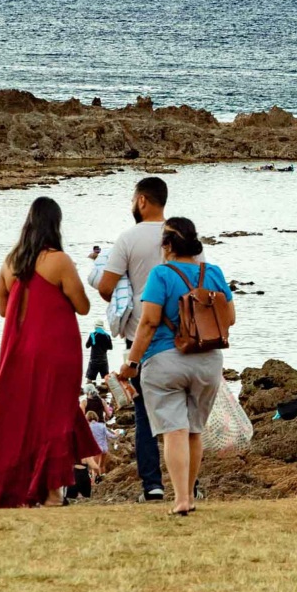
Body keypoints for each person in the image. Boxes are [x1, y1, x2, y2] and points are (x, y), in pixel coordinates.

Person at [0, 198, 99, 509]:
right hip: (56, 350)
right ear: (55, 224)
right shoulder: (59, 261)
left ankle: (20, 488)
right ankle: (52, 493)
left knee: (20, 418)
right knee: (55, 416)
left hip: (18, 351)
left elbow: (1, 309)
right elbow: (83, 306)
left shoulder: (9, 262)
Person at [118, 218, 235, 517]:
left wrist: (131, 363)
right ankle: (190, 494)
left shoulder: (161, 275)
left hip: (165, 361)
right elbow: (230, 318)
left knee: (174, 430)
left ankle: (181, 498)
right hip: (208, 360)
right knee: (194, 430)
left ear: (167, 245)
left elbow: (148, 323)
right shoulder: (215, 273)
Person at [97, 176, 191, 504]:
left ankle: (152, 485)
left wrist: (126, 287)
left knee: (145, 415)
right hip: (185, 337)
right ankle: (188, 486)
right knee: (185, 417)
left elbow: (106, 287)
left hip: (142, 336)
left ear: (141, 201)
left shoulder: (128, 238)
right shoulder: (181, 235)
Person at [86, 409, 112, 474]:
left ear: (87, 419)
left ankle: (98, 481)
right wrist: (116, 434)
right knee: (102, 466)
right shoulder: (102, 425)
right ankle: (104, 479)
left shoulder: (88, 427)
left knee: (95, 467)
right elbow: (109, 435)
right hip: (104, 449)